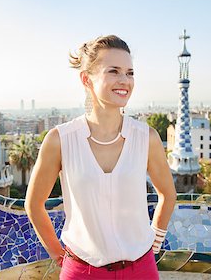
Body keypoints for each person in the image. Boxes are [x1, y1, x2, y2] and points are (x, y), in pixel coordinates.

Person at [25, 35, 176, 279]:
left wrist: (154, 246)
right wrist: (59, 256)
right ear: (86, 79)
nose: (124, 81)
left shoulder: (146, 138)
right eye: (114, 71)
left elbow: (168, 195)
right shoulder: (60, 140)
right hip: (81, 271)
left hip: (141, 269)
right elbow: (33, 204)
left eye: (130, 72)